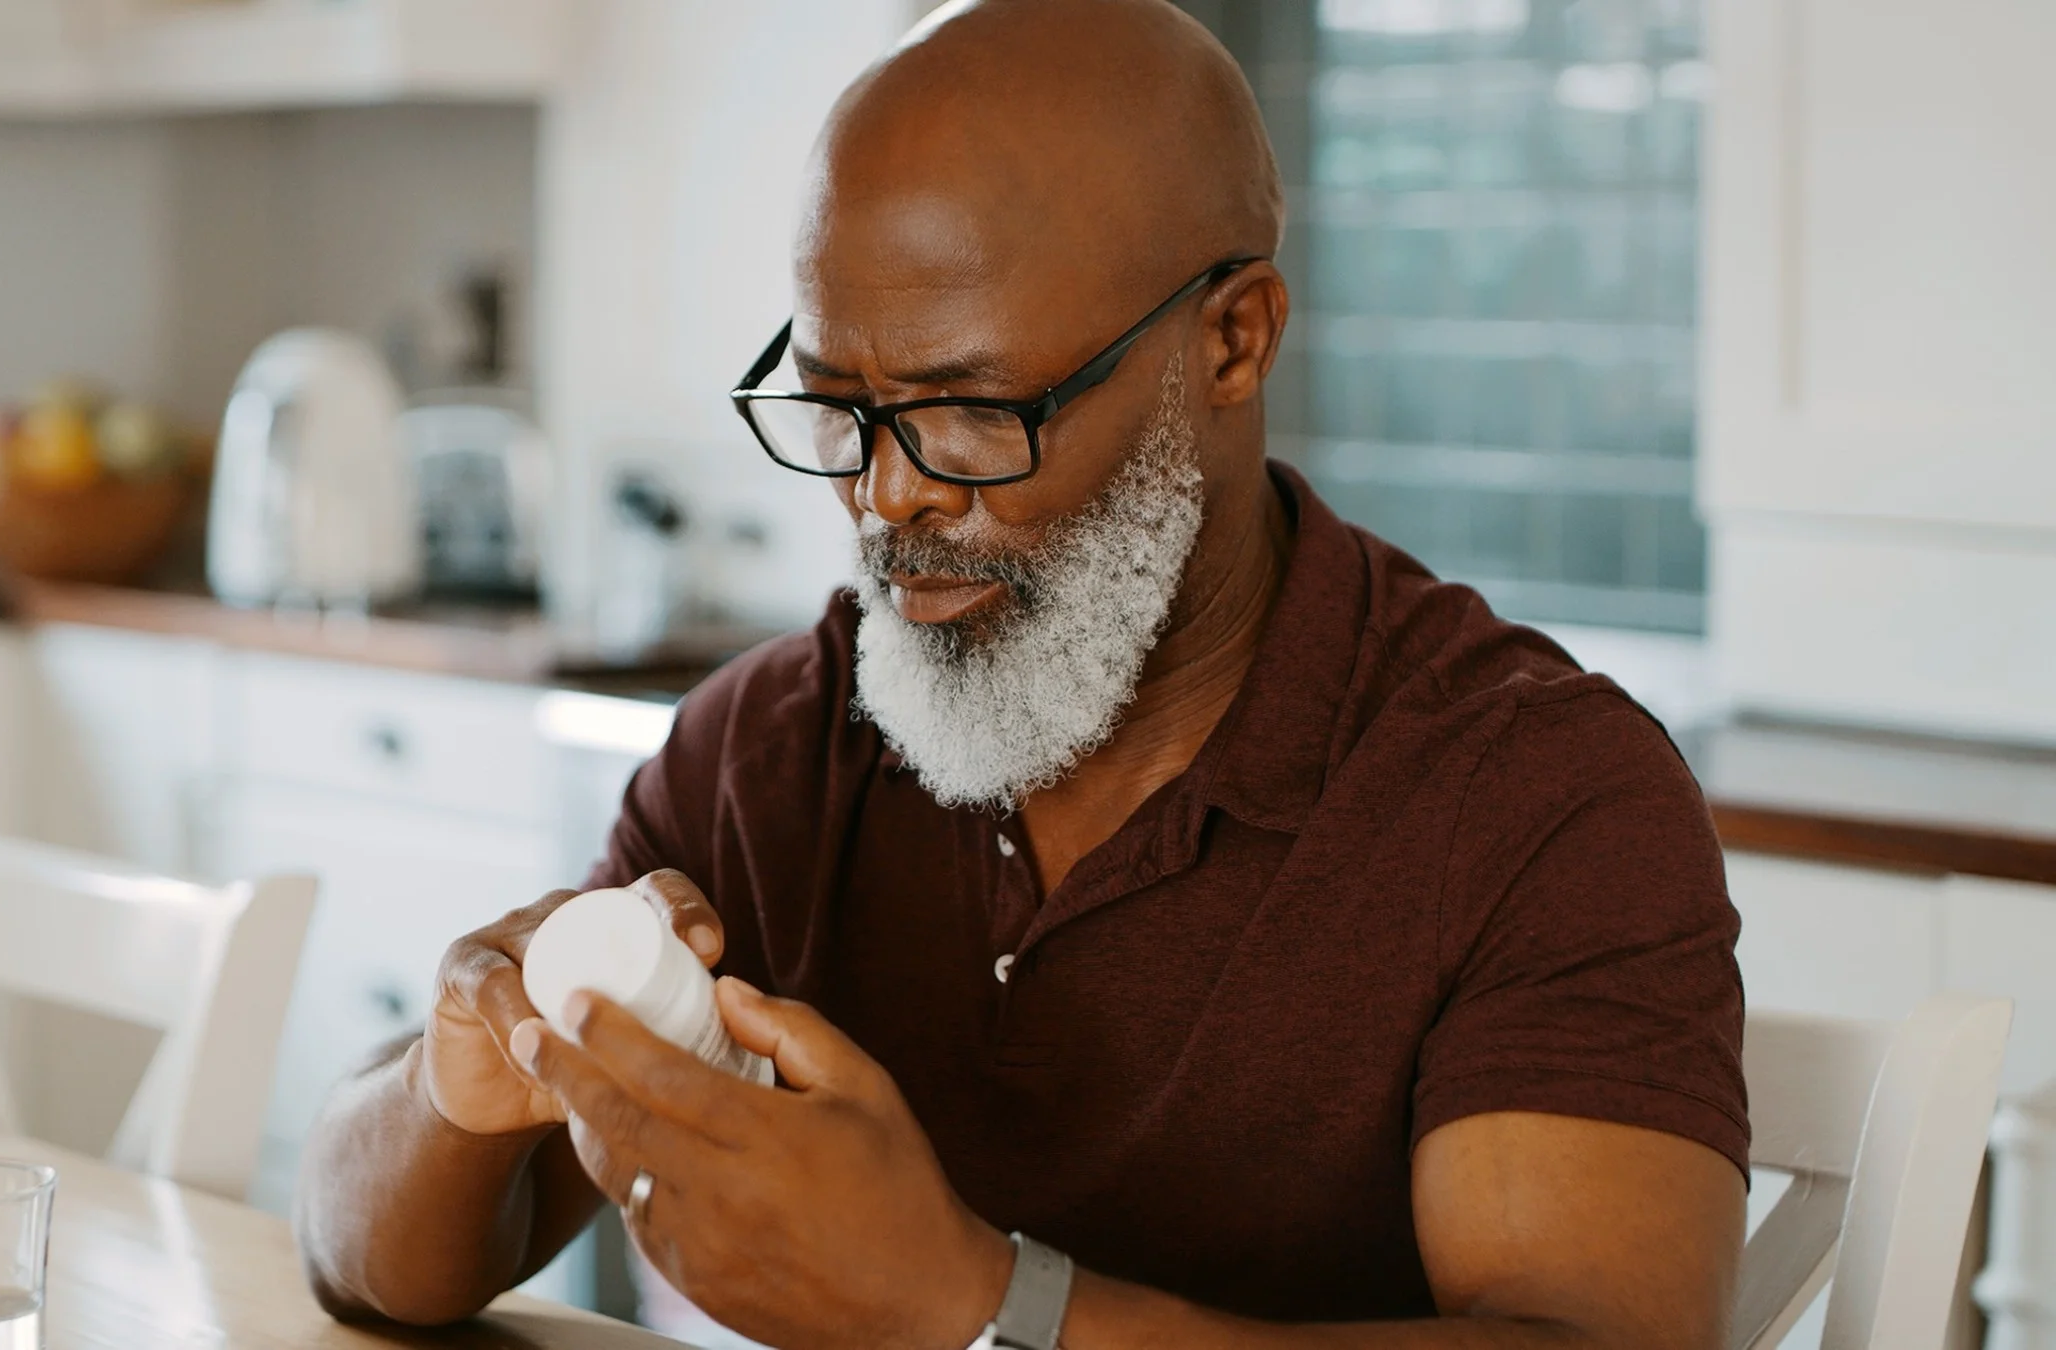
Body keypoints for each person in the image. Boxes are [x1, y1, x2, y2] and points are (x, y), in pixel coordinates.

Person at [294, 2, 1748, 1346]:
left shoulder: (1536, 796)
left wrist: (978, 1307)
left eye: (973, 413)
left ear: (1232, 341)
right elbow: (361, 1254)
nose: (888, 499)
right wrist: (449, 1086)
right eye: (840, 410)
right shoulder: (773, 753)